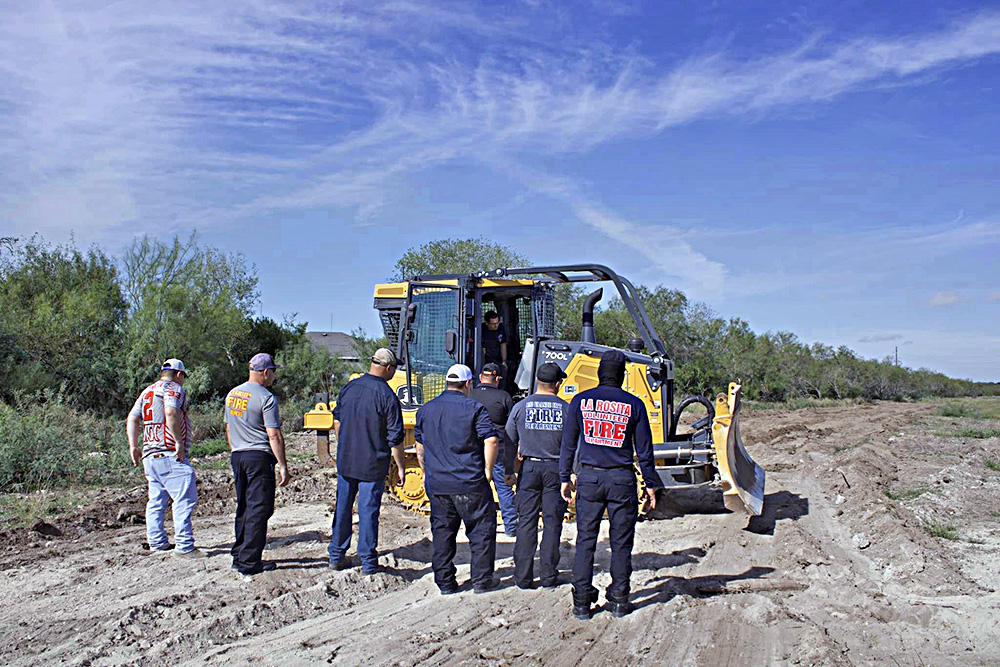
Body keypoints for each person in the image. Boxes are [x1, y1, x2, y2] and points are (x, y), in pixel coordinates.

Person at [560, 350, 661, 619]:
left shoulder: (580, 401)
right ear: (622, 375)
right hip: (621, 479)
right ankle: (619, 599)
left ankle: (581, 602)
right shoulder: (634, 404)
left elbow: (568, 445)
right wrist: (650, 484)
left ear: (598, 373)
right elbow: (644, 450)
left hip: (590, 478)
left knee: (585, 541)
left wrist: (564, 478)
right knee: (621, 543)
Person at [415, 364, 501, 594]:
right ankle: (482, 581)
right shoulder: (474, 408)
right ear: (468, 384)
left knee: (442, 533)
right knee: (481, 531)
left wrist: (425, 473)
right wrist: (488, 471)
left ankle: (445, 583)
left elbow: (419, 446)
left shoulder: (426, 410)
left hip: (439, 484)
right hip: (469, 481)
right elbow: (491, 440)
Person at [328, 348, 405, 574]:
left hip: (346, 462)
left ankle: (336, 555)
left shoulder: (350, 387)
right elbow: (395, 439)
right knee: (368, 511)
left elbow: (337, 421)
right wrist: (400, 467)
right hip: (372, 465)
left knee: (342, 508)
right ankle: (369, 562)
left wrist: (343, 446)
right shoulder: (387, 396)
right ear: (388, 368)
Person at [225, 352, 291, 576]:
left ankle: (239, 555)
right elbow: (274, 435)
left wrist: (235, 448)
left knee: (244, 506)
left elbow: (228, 428)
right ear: (265, 372)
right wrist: (282, 464)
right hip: (258, 457)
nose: (273, 376)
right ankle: (250, 562)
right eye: (273, 371)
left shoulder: (233, 394)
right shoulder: (266, 397)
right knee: (259, 509)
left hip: (238, 455)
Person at [127, 358, 201, 556]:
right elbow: (170, 411)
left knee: (156, 501)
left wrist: (133, 445)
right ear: (178, 374)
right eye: (184, 376)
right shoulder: (174, 389)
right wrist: (178, 442)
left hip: (150, 455)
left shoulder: (147, 391)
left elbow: (133, 417)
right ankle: (185, 546)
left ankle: (157, 543)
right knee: (184, 498)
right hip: (168, 452)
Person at [507, 362, 570, 589]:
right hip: (555, 470)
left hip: (529, 469)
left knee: (526, 523)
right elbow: (573, 445)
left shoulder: (521, 407)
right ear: (558, 384)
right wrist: (570, 475)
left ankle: (522, 578)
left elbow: (509, 441)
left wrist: (510, 470)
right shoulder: (566, 409)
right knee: (553, 524)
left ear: (537, 382)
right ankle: (549, 577)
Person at [470, 362, 518, 537]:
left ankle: (476, 526)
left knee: (474, 488)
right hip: (498, 449)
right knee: (503, 489)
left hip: (474, 449)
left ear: (481, 377)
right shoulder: (504, 396)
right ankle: (511, 528)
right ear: (497, 379)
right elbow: (512, 427)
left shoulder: (470, 395)